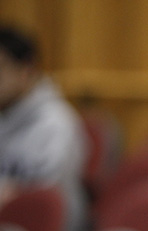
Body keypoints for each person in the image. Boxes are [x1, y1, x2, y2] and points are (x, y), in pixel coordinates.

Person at [0, 25, 88, 206]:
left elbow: (44, 204)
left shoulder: (55, 125)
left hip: (34, 228)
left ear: (25, 70)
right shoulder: (6, 113)